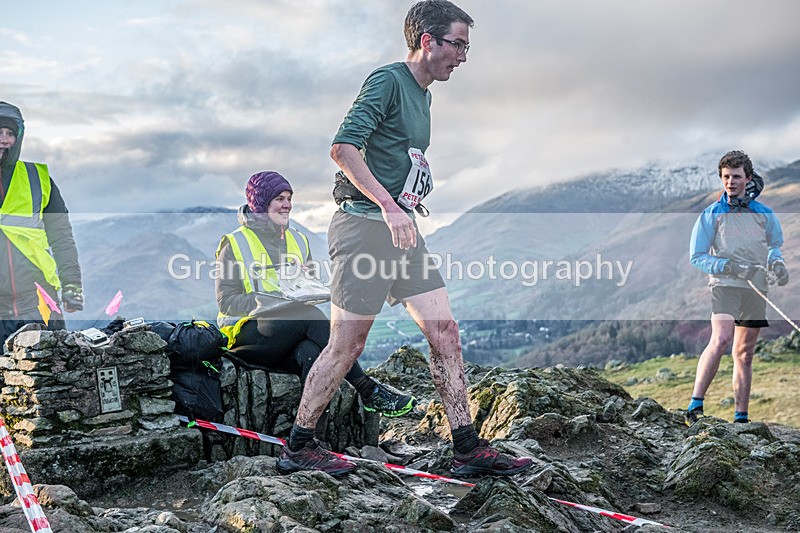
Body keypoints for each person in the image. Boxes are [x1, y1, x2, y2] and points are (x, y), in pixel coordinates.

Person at [277, 0, 533, 477]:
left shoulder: (426, 94)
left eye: (466, 47)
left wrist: (409, 195)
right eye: (457, 44)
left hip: (403, 230)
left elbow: (397, 155)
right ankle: (299, 445)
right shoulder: (388, 80)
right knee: (347, 345)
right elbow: (343, 147)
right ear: (427, 40)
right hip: (363, 229)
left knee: (445, 333)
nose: (462, 56)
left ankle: (467, 448)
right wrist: (389, 205)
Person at [215, 171, 417, 444]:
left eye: (289, 198)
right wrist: (272, 299)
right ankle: (367, 389)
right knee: (310, 316)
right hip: (248, 336)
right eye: (279, 199)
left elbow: (306, 286)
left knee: (313, 354)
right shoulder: (234, 242)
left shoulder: (298, 239)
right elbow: (227, 301)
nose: (287, 205)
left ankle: (311, 443)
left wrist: (309, 287)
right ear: (260, 203)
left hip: (290, 332)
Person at [686, 150, 788, 425]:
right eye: (726, 177)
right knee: (720, 339)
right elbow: (697, 256)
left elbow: (774, 246)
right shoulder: (711, 214)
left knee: (744, 353)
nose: (731, 182)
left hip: (756, 287)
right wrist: (730, 267)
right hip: (725, 285)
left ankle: (741, 419)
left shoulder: (764, 214)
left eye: (736, 176)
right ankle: (695, 406)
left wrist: (777, 265)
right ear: (722, 178)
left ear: (748, 178)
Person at [0, 101, 83, 342]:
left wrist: (72, 285)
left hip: (39, 302)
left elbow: (62, 237)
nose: (4, 139)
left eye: (10, 134)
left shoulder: (38, 179)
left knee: (57, 375)